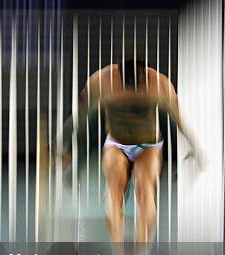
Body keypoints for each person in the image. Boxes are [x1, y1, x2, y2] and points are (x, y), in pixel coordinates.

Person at [62, 59, 203, 245]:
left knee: (145, 197)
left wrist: (195, 149)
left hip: (148, 146)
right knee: (113, 197)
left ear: (144, 76)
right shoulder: (102, 80)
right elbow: (79, 115)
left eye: (136, 84)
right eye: (127, 84)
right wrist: (61, 144)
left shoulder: (159, 84)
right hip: (116, 143)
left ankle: (140, 254)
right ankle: (119, 254)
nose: (132, 90)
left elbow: (179, 119)